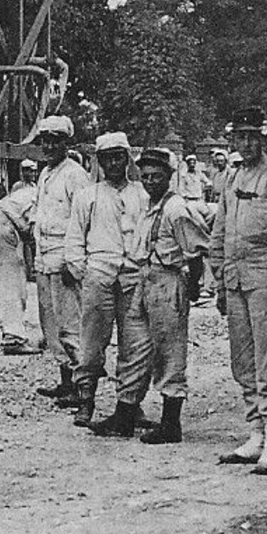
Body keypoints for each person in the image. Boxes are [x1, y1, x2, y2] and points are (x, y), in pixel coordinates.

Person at [211, 108, 267, 475]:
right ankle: (255, 432)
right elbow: (220, 231)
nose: (246, 143)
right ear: (232, 140)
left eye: (253, 137)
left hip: (265, 279)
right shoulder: (232, 177)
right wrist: (218, 279)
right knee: (243, 360)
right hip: (235, 279)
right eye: (240, 137)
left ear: (263, 139)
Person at [98, 146, 207, 444]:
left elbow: (195, 252)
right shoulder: (148, 206)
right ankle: (124, 415)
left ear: (170, 177)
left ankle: (171, 424)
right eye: (145, 176)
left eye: (157, 177)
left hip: (168, 281)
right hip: (144, 280)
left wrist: (192, 287)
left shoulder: (176, 208)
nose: (150, 182)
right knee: (135, 350)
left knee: (170, 353)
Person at [63, 131, 150, 430]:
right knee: (91, 343)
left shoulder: (141, 194)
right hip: (99, 274)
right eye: (107, 158)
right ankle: (85, 399)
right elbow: (74, 238)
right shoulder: (88, 195)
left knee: (135, 344)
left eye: (119, 157)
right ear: (99, 162)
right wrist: (83, 271)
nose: (113, 163)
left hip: (133, 275)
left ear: (127, 159)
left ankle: (130, 403)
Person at [32, 116, 92, 405]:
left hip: (63, 256)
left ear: (66, 143)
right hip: (43, 255)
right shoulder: (45, 173)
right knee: (51, 324)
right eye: (45, 139)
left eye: (56, 140)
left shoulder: (75, 174)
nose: (49, 145)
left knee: (71, 324)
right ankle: (66, 381)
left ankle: (84, 391)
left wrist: (73, 261)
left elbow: (82, 221)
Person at [0, 166, 40, 354]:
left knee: (15, 279)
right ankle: (13, 337)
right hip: (2, 226)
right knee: (12, 281)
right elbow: (32, 231)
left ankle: (14, 332)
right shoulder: (41, 195)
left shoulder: (32, 191)